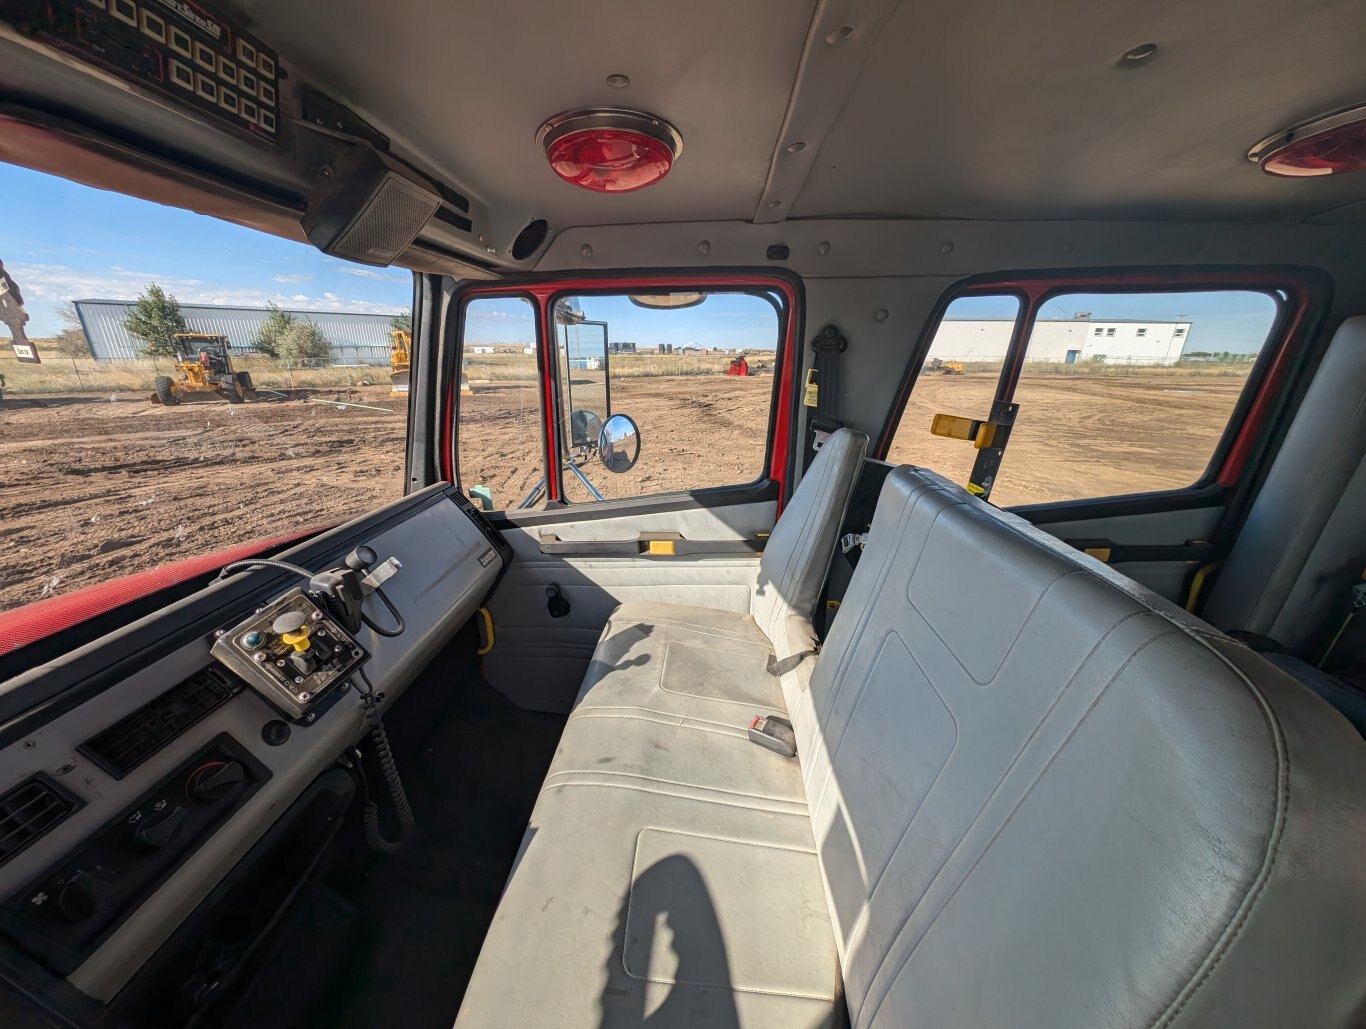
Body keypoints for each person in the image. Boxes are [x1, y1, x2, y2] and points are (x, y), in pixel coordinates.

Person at [0, 259, 31, 346]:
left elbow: (6, 291)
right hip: (8, 306)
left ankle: (20, 341)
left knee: (14, 321)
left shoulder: (2, 277)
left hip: (10, 305)